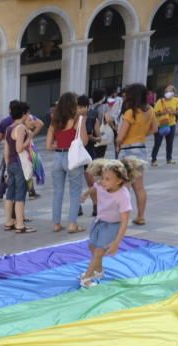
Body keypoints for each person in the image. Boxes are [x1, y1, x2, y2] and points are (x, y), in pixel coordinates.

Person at [79, 157, 144, 288]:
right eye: (103, 177)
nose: (103, 181)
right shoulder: (102, 185)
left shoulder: (123, 195)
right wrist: (86, 194)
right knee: (92, 246)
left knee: (98, 252)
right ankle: (99, 271)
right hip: (99, 222)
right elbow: (95, 187)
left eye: (107, 179)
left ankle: (87, 278)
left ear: (119, 181)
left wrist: (116, 243)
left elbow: (124, 222)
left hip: (112, 226)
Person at [46, 92, 89, 234]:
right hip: (73, 158)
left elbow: (48, 146)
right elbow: (84, 141)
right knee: (75, 191)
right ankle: (72, 224)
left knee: (57, 192)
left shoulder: (54, 121)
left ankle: (56, 224)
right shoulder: (78, 119)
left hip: (58, 157)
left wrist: (59, 144)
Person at [115, 83, 156, 225]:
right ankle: (141, 216)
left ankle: (122, 218)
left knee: (124, 186)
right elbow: (154, 129)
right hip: (141, 148)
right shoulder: (150, 110)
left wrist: (118, 140)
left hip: (127, 150)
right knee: (139, 186)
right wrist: (141, 134)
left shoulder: (130, 112)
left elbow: (120, 137)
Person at [3, 101, 35, 233]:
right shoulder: (20, 128)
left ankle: (9, 222)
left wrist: (7, 167)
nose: (28, 115)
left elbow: (6, 150)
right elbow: (19, 148)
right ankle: (20, 225)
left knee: (10, 194)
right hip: (19, 163)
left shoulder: (9, 128)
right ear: (23, 113)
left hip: (10, 163)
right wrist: (30, 138)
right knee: (20, 194)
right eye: (27, 112)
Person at [151, 84, 178, 166]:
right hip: (160, 124)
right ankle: (154, 159)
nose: (168, 92)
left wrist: (173, 112)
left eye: (170, 91)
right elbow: (155, 113)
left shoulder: (176, 100)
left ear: (173, 92)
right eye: (167, 91)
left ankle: (169, 159)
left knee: (170, 142)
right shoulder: (160, 101)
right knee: (158, 142)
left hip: (171, 124)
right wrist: (163, 112)